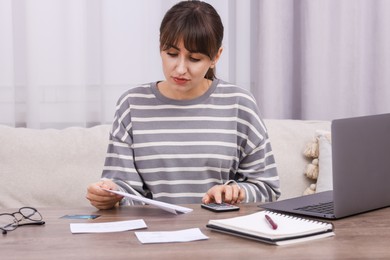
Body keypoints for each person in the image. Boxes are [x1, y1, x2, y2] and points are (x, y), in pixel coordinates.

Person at [86, 0, 280, 210]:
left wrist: (236, 192)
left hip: (220, 235)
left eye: (194, 58)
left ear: (216, 57)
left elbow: (267, 189)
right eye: (171, 54)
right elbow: (124, 191)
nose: (179, 68)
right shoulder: (131, 105)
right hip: (151, 235)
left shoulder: (240, 105)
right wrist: (110, 194)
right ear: (160, 46)